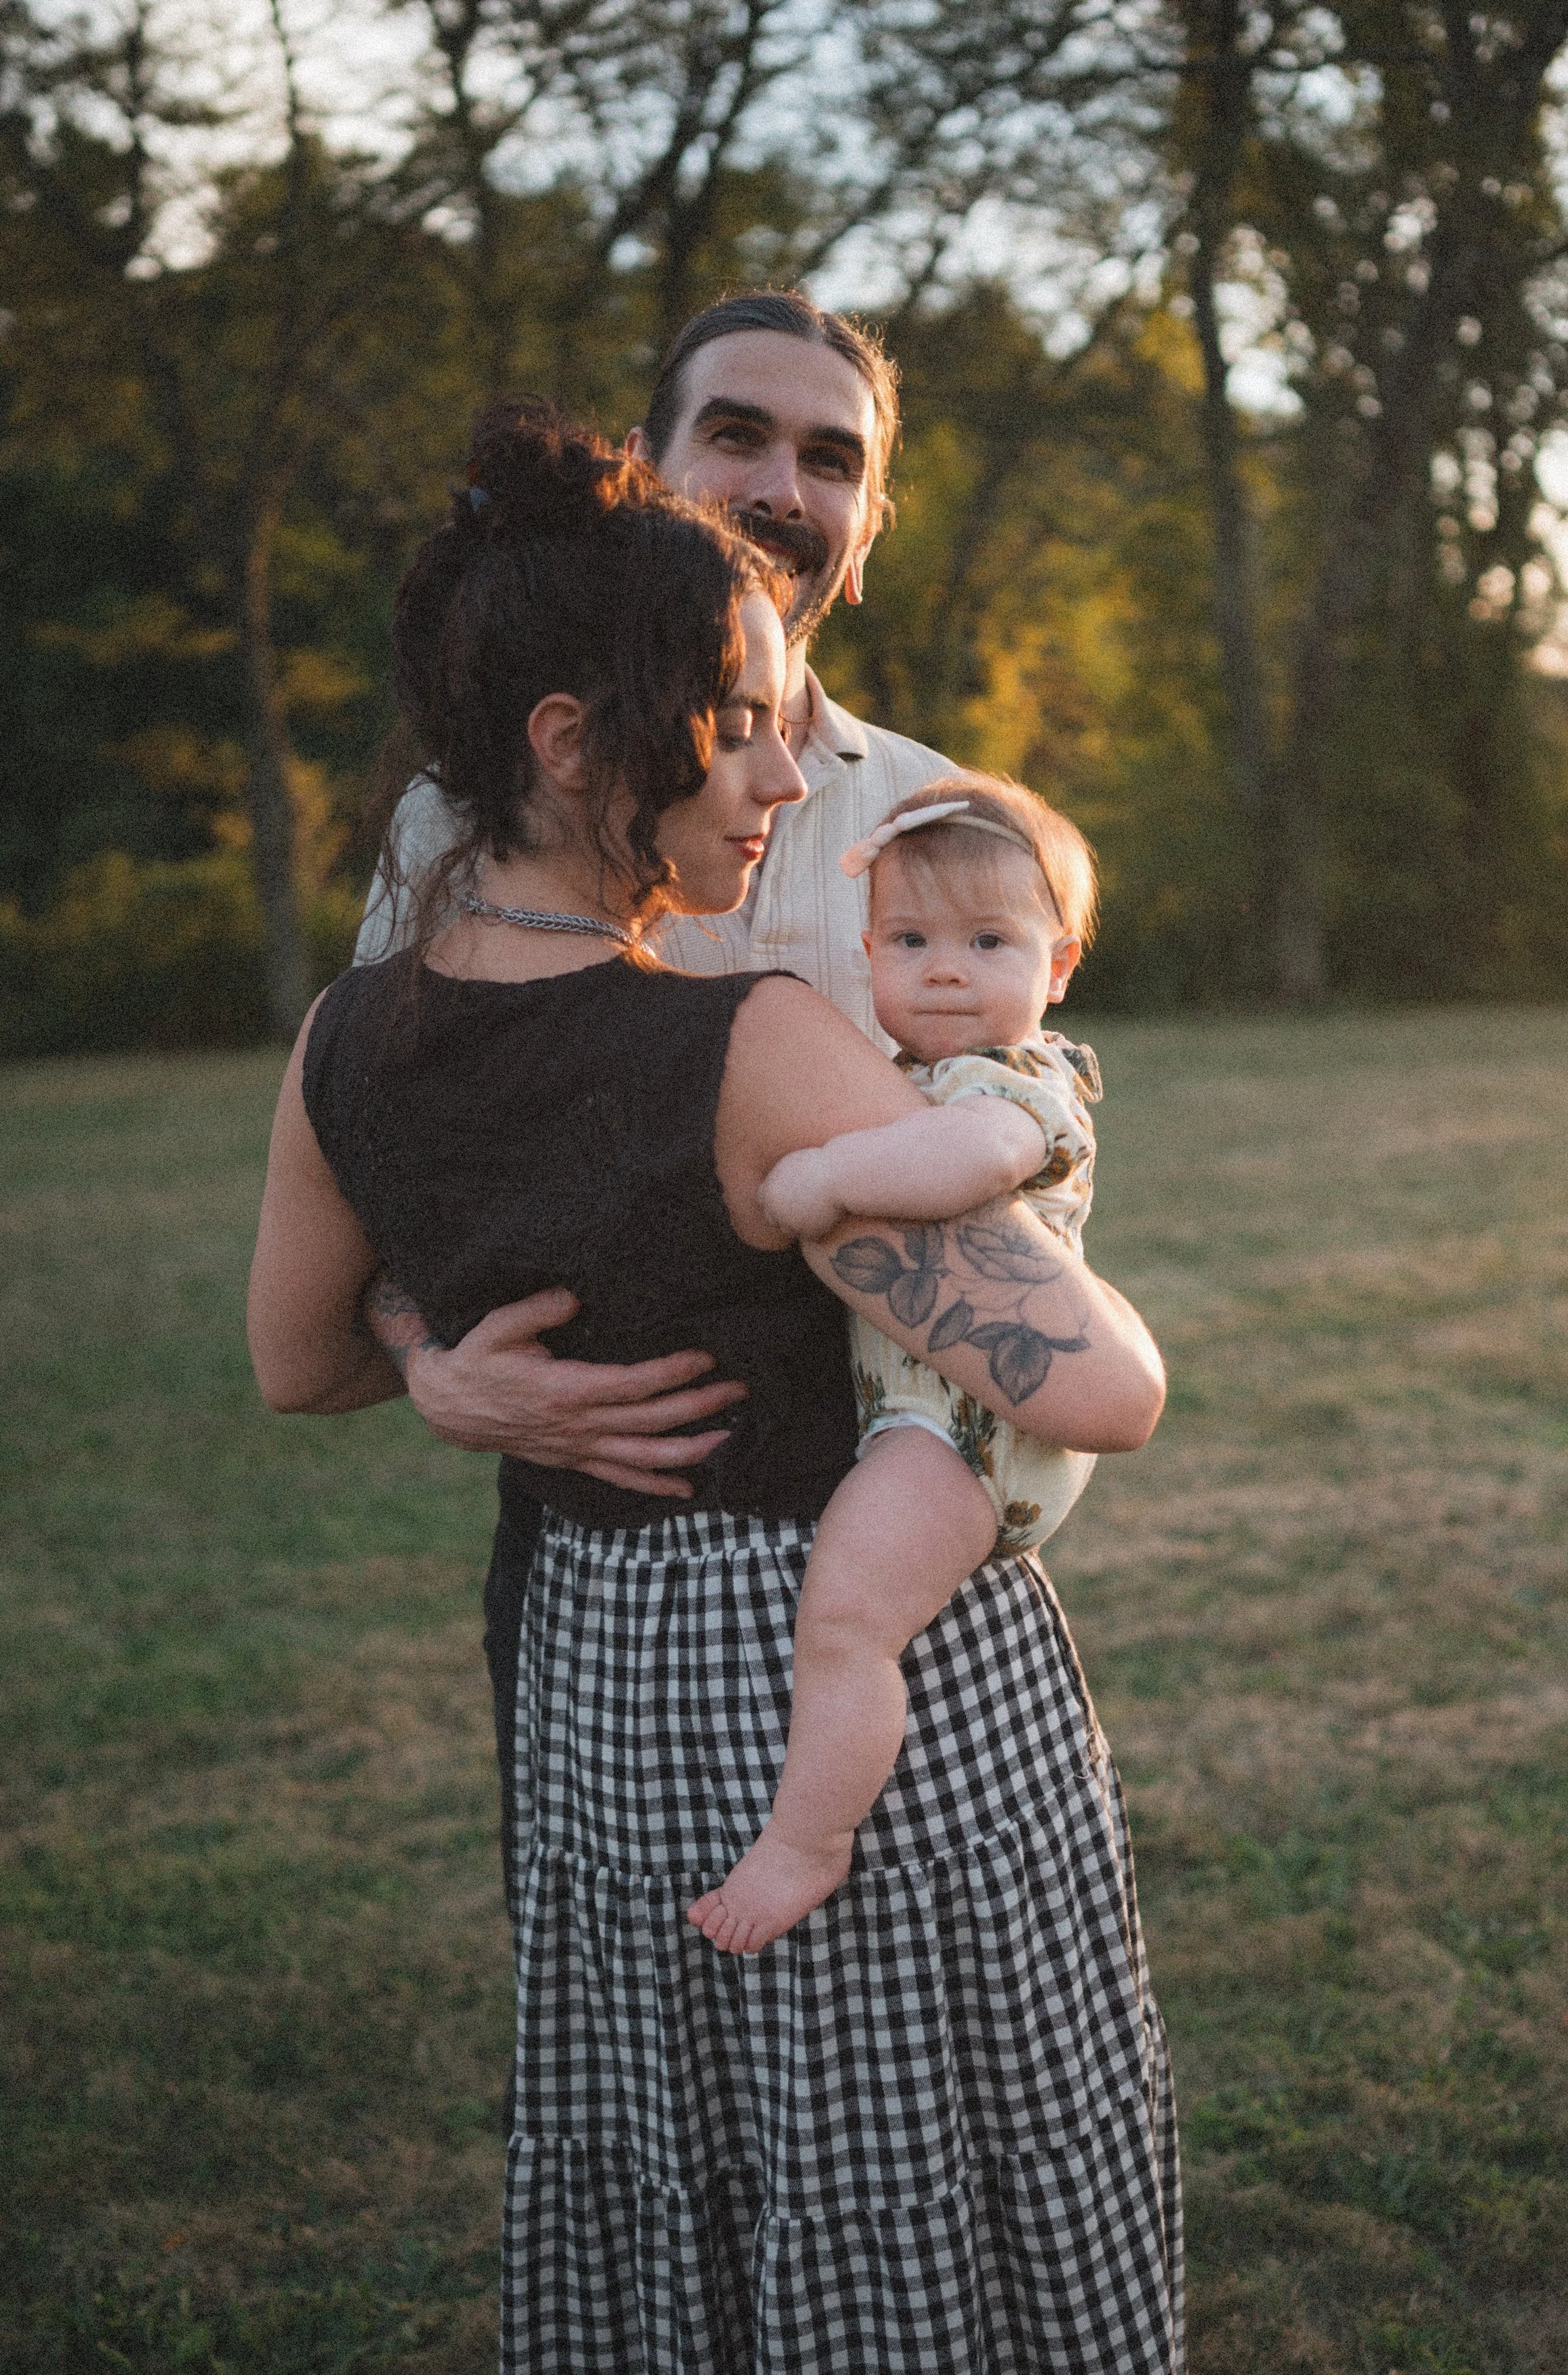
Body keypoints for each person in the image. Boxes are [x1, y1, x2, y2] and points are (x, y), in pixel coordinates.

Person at [249, 404, 1183, 2372]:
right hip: (827, 1698)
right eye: (736, 722)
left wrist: (463, 1378)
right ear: (572, 744)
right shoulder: (749, 1043)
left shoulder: (346, 1038)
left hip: (595, 1675)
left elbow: (299, 1355)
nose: (780, 774)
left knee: (668, 2161)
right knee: (915, 2169)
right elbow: (1091, 1386)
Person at [358, 291, 973, 1919]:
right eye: (736, 434)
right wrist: (442, 1376)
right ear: (644, 468)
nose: (781, 485)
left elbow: (1011, 1133)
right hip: (593, 1529)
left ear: (870, 522)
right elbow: (387, 1158)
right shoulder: (461, 819)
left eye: (830, 457)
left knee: (888, 2007)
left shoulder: (937, 815)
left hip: (880, 1525)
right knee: (618, 1994)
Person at [689, 775, 1108, 1956]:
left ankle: (807, 1842)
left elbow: (967, 1161)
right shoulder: (909, 1070)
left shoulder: (1020, 1082)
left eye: (989, 942)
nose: (944, 969)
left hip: (971, 1427)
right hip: (932, 1412)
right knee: (851, 1609)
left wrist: (822, 1180)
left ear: (1059, 963)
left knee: (848, 1619)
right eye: (911, 941)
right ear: (867, 950)